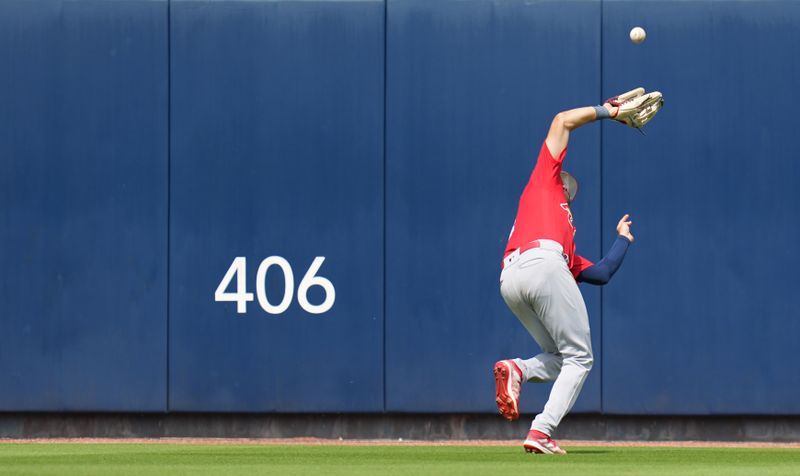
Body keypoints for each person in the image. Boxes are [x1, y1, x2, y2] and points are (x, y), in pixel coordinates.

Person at [494, 88, 662, 455]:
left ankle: (517, 370)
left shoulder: (560, 229)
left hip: (512, 277)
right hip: (544, 265)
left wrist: (623, 239)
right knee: (581, 358)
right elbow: (562, 120)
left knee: (560, 358)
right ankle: (542, 431)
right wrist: (607, 111)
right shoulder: (544, 180)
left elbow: (600, 274)